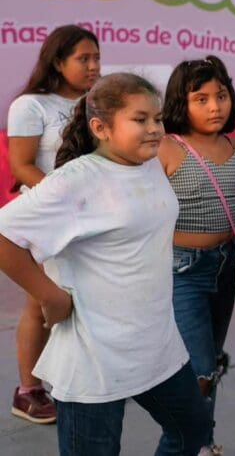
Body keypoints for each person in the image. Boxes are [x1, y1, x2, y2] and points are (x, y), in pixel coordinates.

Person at [0, 74, 211, 454]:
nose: (153, 129)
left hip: (157, 347)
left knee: (193, 430)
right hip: (94, 360)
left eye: (157, 118)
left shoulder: (147, 164)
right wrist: (50, 295)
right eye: (140, 119)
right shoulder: (76, 181)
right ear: (101, 128)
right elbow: (4, 236)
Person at [158, 57, 235, 452]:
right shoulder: (166, 149)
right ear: (180, 103)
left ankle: (200, 441)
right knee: (201, 369)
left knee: (212, 362)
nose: (215, 106)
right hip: (181, 273)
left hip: (225, 269)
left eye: (221, 96)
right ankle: (181, 443)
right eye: (201, 98)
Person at [5, 25, 100, 425]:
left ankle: (78, 381)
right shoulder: (31, 105)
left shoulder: (100, 102)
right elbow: (21, 164)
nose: (94, 66)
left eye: (97, 57)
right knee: (42, 300)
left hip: (92, 219)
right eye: (84, 59)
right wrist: (62, 199)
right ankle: (28, 391)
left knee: (87, 299)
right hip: (48, 217)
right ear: (57, 62)